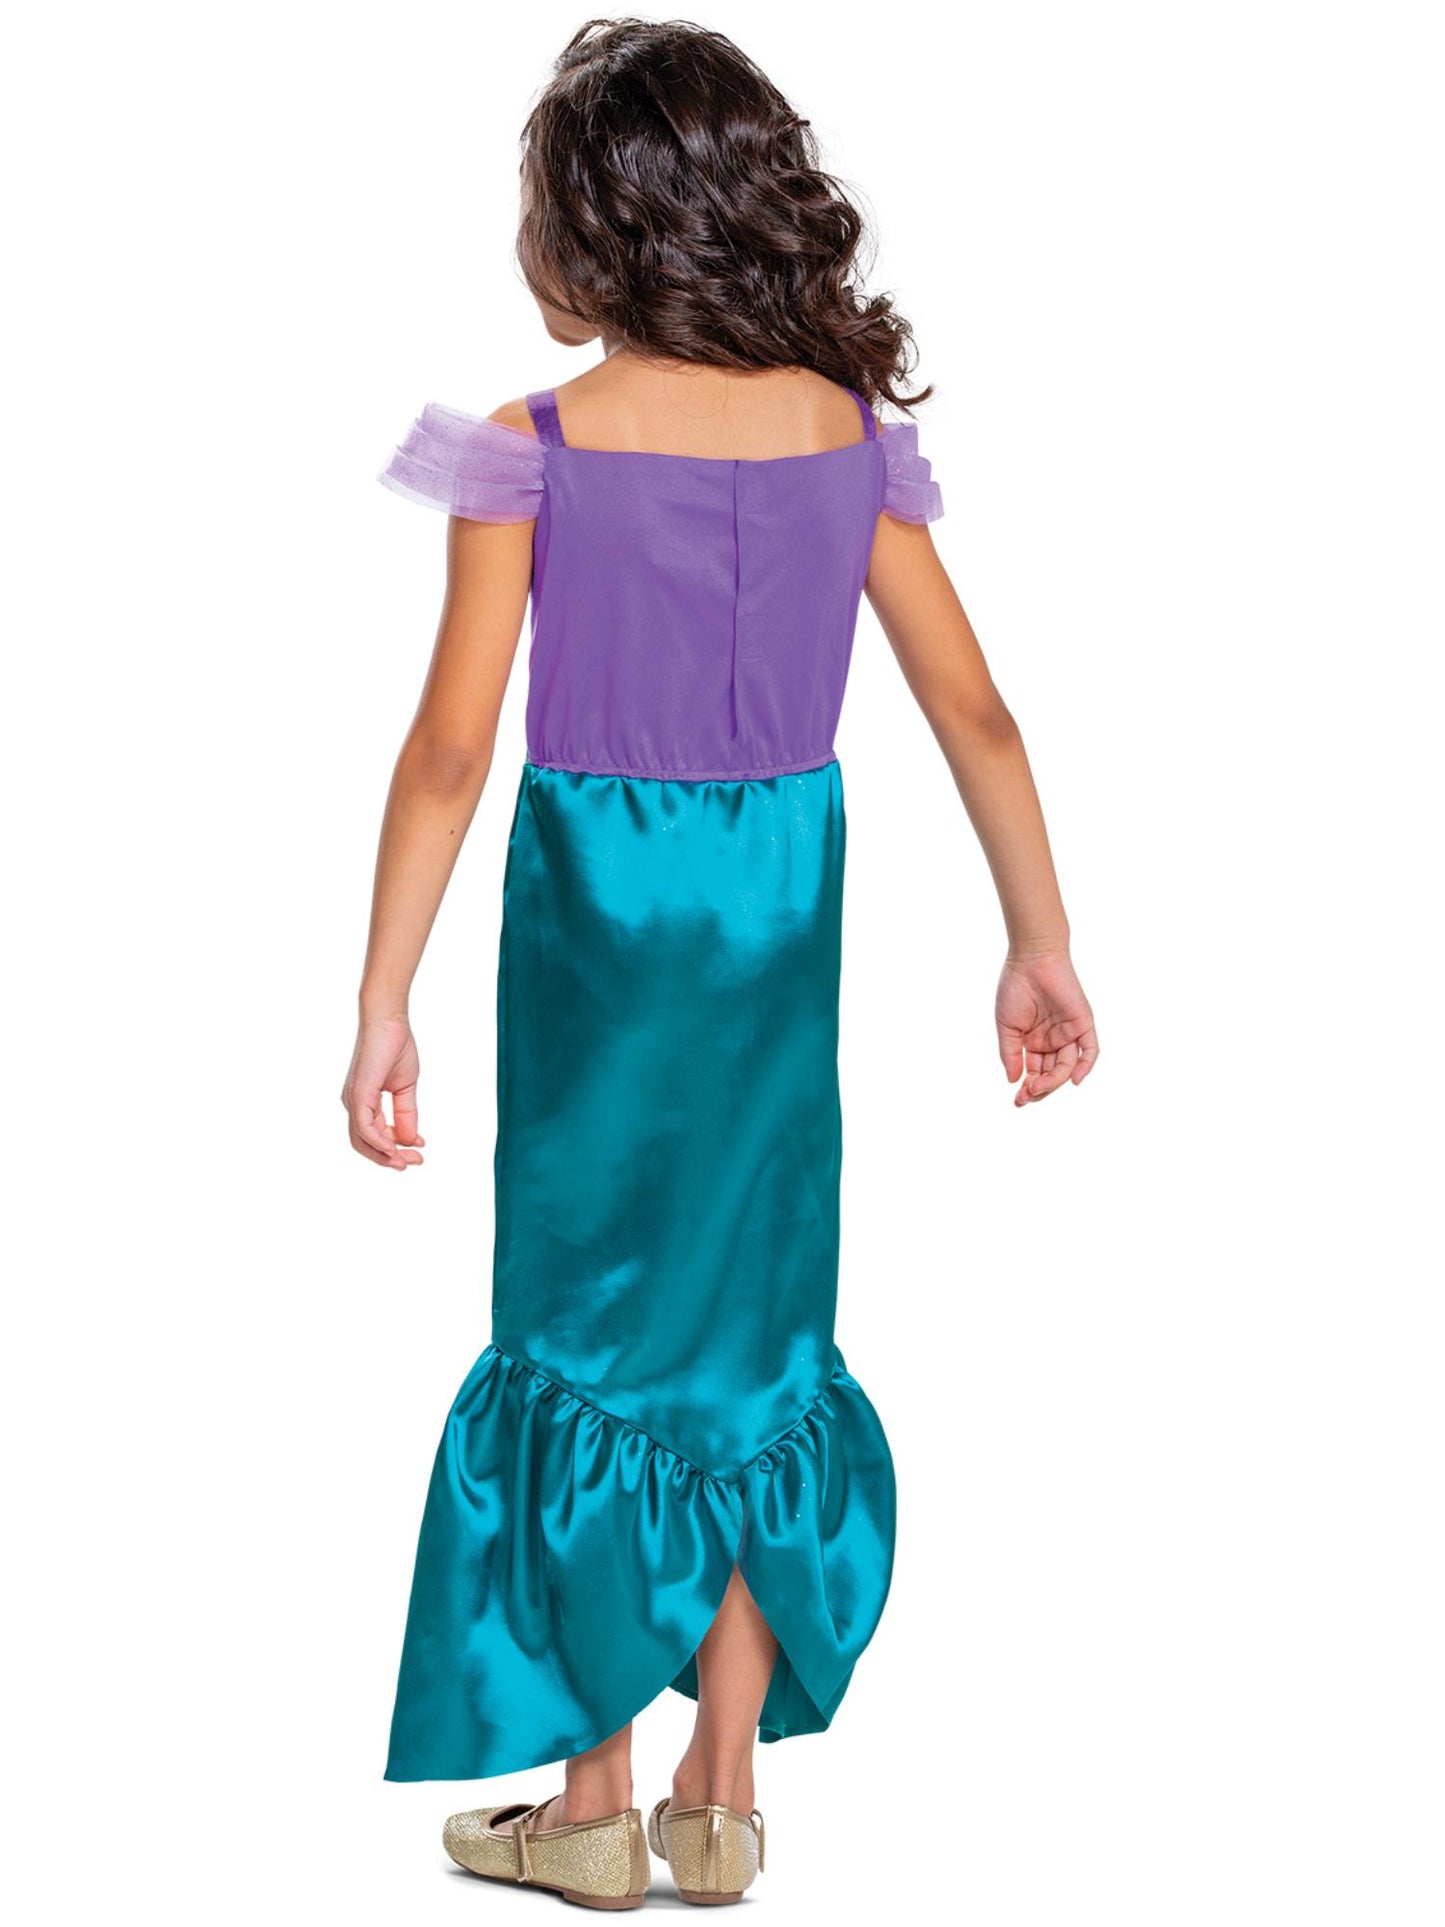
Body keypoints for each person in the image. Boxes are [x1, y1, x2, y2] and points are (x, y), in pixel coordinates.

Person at [343, 16, 1099, 1911]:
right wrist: (1038, 939)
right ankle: (722, 1796)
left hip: (600, 912)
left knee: (585, 1319)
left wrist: (382, 998)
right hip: (777, 906)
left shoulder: (534, 448)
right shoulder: (848, 437)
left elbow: (447, 750)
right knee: (752, 1328)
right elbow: (977, 714)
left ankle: (591, 1800)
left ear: (593, 225)